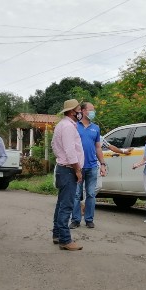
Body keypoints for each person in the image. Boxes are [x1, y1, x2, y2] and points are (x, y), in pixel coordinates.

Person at [51, 99, 84, 251]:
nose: (81, 111)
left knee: (61, 204)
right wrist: (77, 169)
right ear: (72, 112)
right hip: (68, 169)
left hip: (63, 167)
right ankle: (65, 239)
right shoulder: (68, 127)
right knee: (66, 205)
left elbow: (53, 145)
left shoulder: (62, 125)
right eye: (79, 109)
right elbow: (71, 152)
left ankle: (57, 234)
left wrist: (61, 158)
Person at [69, 102, 107, 230]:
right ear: (84, 111)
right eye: (91, 110)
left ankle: (89, 219)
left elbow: (98, 147)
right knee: (76, 194)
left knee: (91, 194)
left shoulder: (95, 128)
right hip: (78, 166)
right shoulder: (74, 126)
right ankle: (75, 220)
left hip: (92, 166)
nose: (93, 112)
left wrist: (102, 164)